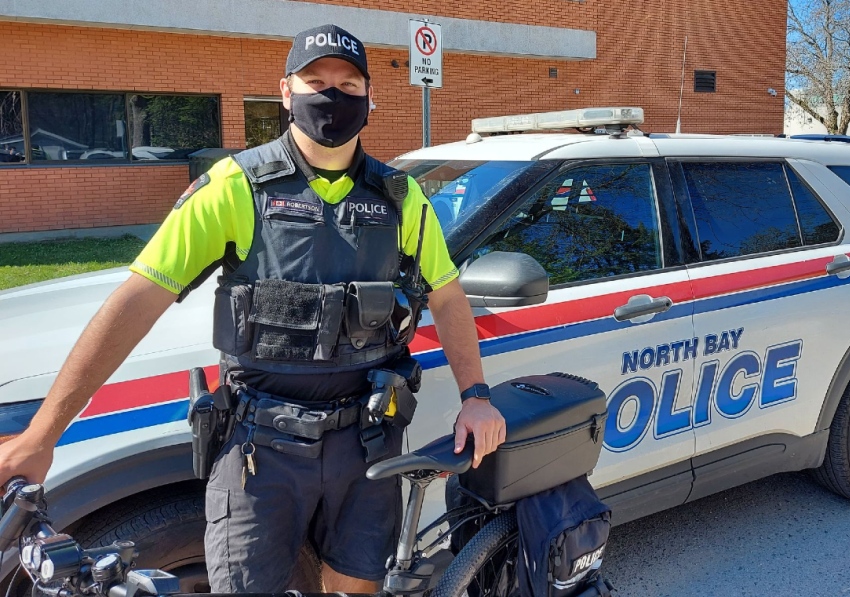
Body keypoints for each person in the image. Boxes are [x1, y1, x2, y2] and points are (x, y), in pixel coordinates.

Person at [0, 24, 506, 595]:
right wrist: (43, 435)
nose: (331, 96)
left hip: (367, 446)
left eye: (348, 83)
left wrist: (476, 397)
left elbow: (447, 295)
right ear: (285, 93)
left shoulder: (400, 198)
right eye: (315, 82)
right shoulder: (235, 187)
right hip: (260, 453)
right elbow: (137, 300)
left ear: (370, 97)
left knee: (354, 589)